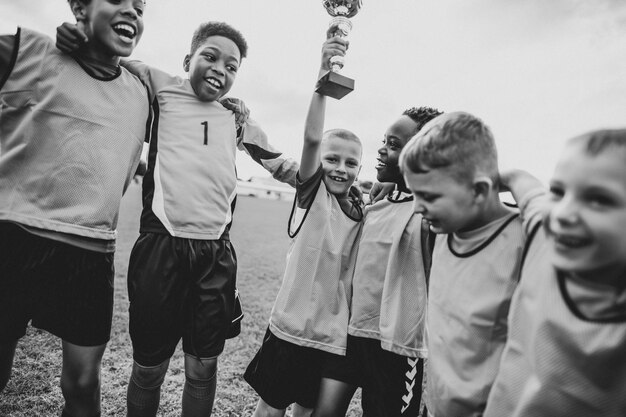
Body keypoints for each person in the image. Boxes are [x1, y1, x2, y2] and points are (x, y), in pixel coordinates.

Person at [57, 19, 298, 417]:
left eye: (232, 66)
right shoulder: (160, 86)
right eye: (210, 56)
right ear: (188, 59)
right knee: (150, 368)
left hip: (215, 258)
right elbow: (107, 58)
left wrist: (329, 179)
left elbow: (281, 164)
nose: (221, 68)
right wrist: (79, 39)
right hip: (160, 249)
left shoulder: (235, 119)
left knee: (203, 368)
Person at [0, 1, 149, 416]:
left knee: (82, 385)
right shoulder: (26, 51)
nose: (133, 11)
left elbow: (195, 118)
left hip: (89, 251)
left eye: (141, 7)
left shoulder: (142, 94)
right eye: (119, 1)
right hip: (10, 238)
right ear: (80, 6)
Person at [242, 31, 362, 417]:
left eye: (350, 162)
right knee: (271, 407)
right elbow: (312, 139)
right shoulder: (313, 195)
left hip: (329, 337)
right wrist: (322, 79)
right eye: (333, 159)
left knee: (306, 410)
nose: (340, 168)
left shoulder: (363, 210)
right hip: (289, 330)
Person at [483, 130, 626, 417]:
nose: (562, 213)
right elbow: (522, 181)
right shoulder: (542, 239)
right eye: (558, 191)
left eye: (598, 199)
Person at [311, 106, 441, 417]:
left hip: (396, 349)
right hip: (350, 334)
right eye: (385, 140)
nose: (382, 149)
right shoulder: (377, 204)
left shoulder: (432, 215)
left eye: (395, 145)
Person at [399, 112, 525, 417]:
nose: (416, 208)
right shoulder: (446, 226)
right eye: (414, 194)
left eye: (427, 196)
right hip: (436, 406)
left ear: (480, 191)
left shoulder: (526, 240)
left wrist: (519, 179)